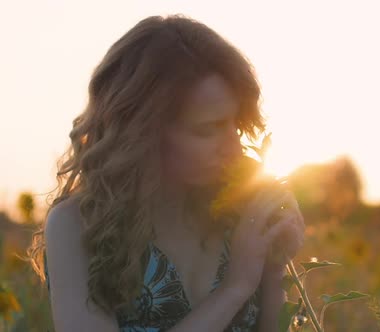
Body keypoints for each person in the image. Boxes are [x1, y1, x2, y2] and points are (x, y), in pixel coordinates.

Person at [26, 14, 306, 332]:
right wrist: (234, 288)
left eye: (235, 125)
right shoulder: (77, 225)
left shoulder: (240, 216)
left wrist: (275, 270)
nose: (234, 149)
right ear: (144, 133)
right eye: (206, 130)